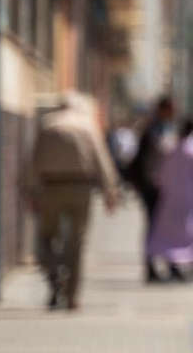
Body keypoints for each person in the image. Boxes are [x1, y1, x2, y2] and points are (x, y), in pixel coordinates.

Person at [24, 91, 121, 311]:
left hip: (51, 187)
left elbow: (34, 159)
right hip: (81, 188)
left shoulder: (48, 124)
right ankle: (72, 296)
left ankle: (54, 278)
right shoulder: (87, 125)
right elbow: (101, 158)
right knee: (77, 244)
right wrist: (110, 191)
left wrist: (31, 190)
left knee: (46, 237)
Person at [146, 119, 193, 282]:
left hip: (170, 199)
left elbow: (160, 176)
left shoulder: (170, 150)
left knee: (170, 235)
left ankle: (174, 266)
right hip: (192, 201)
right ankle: (192, 269)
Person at [128, 95, 174, 282]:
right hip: (153, 187)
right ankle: (151, 266)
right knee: (154, 226)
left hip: (160, 187)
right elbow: (147, 160)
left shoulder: (162, 128)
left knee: (163, 226)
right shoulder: (153, 130)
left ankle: (168, 264)